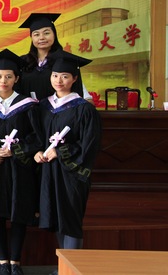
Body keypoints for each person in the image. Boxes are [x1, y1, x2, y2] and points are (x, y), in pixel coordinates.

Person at [0, 49, 42, 275]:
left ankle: (15, 261)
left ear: (17, 79)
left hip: (19, 167)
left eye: (8, 76)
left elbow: (36, 136)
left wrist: (16, 150)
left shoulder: (28, 104)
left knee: (18, 212)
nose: (3, 80)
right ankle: (3, 261)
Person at [33, 51, 101, 258]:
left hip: (71, 172)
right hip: (48, 170)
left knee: (70, 218)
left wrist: (61, 152)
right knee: (56, 217)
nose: (59, 80)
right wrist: (37, 151)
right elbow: (37, 136)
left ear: (74, 79)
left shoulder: (85, 109)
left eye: (65, 76)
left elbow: (89, 144)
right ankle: (64, 266)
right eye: (55, 75)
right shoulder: (43, 106)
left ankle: (71, 267)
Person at [17, 13, 87, 100]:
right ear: (31, 37)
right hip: (27, 107)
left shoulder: (65, 59)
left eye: (46, 33)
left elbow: (77, 89)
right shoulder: (23, 61)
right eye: (36, 34)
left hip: (57, 107)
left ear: (54, 34)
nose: (41, 38)